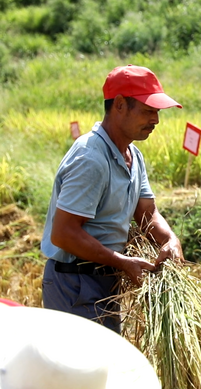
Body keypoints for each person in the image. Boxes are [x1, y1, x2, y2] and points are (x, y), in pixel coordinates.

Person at [40, 65, 183, 334]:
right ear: (119, 105)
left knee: (103, 369)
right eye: (147, 111)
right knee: (79, 372)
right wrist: (122, 262)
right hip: (76, 283)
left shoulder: (132, 155)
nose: (156, 120)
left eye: (157, 112)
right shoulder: (90, 159)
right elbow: (64, 233)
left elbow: (147, 214)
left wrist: (170, 240)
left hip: (105, 281)